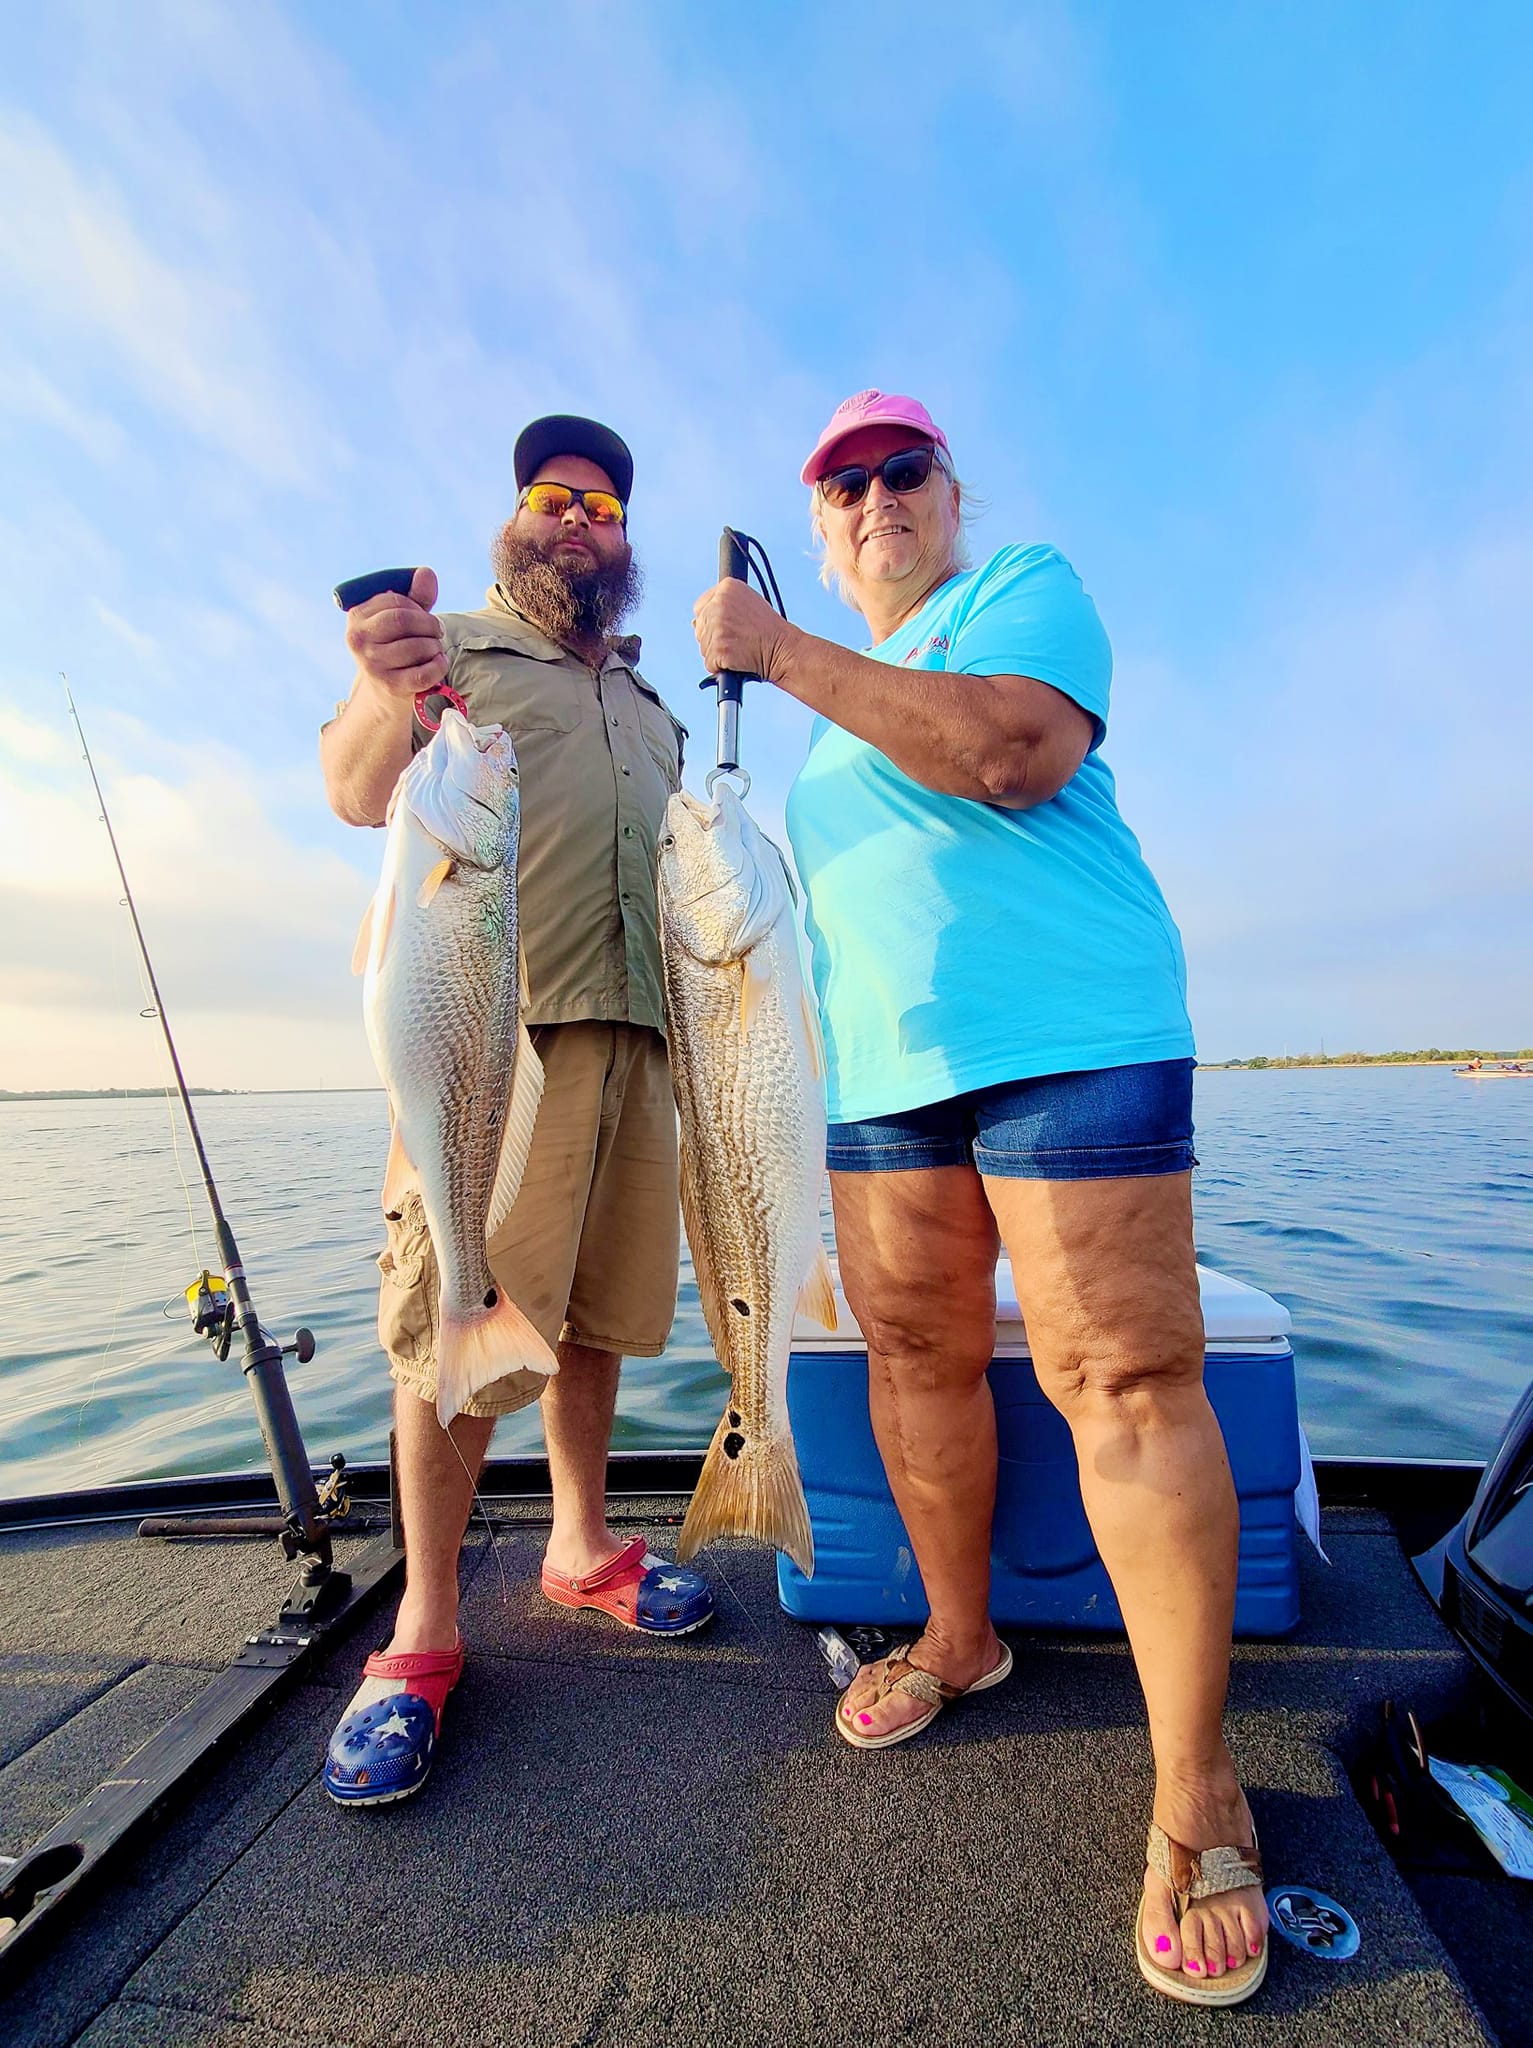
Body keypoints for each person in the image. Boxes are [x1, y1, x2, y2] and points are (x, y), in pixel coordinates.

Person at [691, 389, 1269, 2006]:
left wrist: (775, 650)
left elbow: (1010, 753)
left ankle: (1199, 1785)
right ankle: (960, 1637)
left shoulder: (1021, 590)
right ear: (816, 528)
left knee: (1122, 1379)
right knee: (913, 1359)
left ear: (950, 495)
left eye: (902, 471)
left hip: (1070, 1036)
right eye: (841, 485)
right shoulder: (827, 733)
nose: (873, 497)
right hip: (881, 1075)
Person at [320, 414, 713, 1806]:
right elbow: (354, 787)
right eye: (553, 496)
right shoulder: (453, 656)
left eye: (602, 506)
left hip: (643, 1044)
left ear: (625, 539)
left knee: (595, 1320)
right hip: (496, 1043)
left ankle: (580, 1541)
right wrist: (383, 686)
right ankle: (424, 1625)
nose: (576, 519)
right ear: (514, 516)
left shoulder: (656, 708)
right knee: (454, 1313)